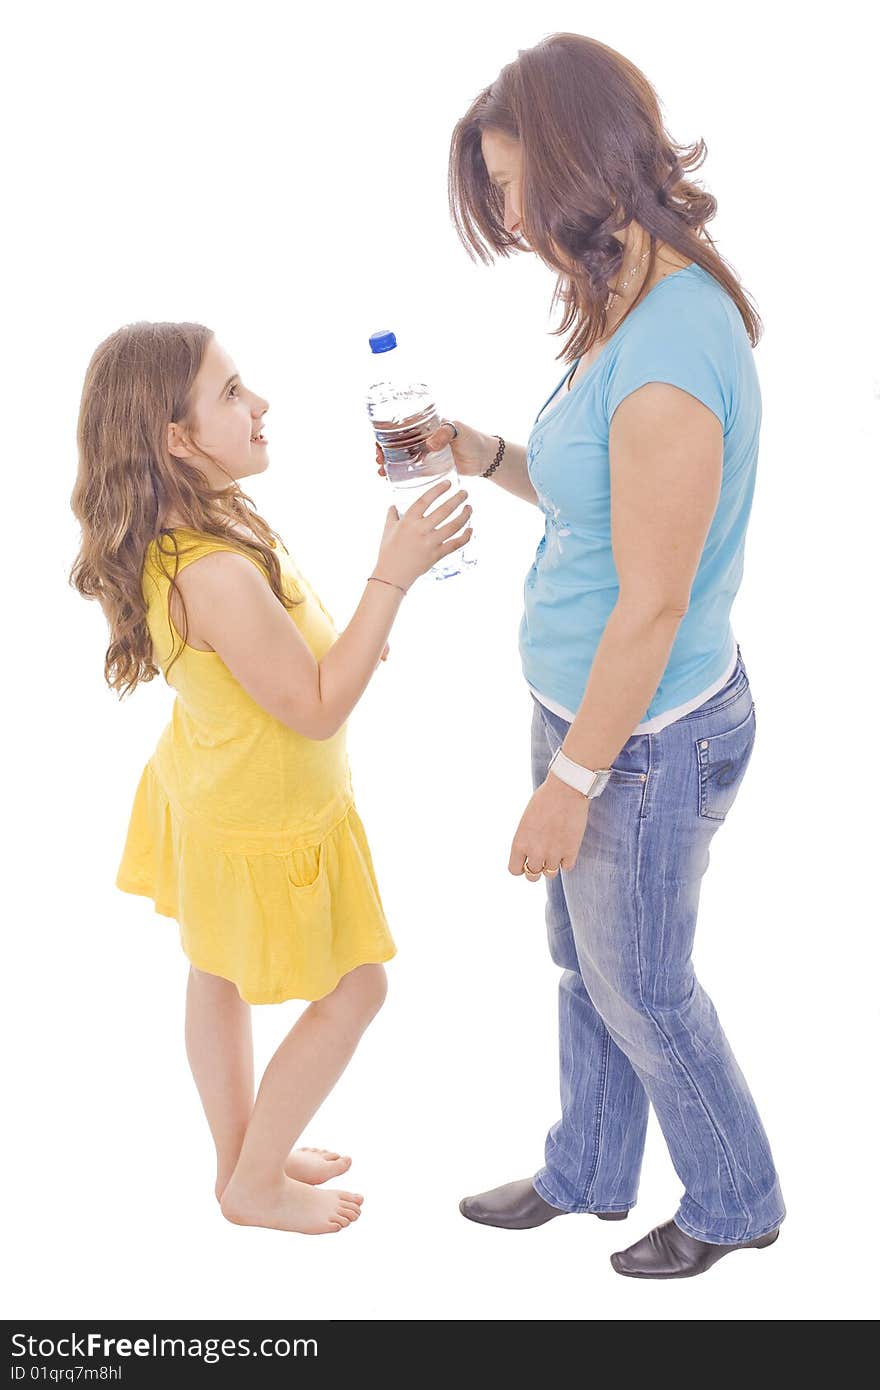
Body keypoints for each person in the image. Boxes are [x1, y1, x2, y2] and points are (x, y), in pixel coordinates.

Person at [377, 31, 786, 1279]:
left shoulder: (669, 348)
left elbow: (652, 605)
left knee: (645, 988)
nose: (504, 216)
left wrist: (572, 783)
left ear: (571, 163)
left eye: (507, 185)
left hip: (644, 739)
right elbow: (588, 501)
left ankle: (734, 1200)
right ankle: (589, 1169)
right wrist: (478, 448)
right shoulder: (623, 300)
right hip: (590, 713)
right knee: (583, 966)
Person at [70, 322, 473, 1235]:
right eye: (233, 393)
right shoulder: (208, 568)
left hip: (209, 789)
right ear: (178, 440)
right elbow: (317, 705)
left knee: (214, 972)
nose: (260, 405)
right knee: (359, 988)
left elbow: (294, 658)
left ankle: (241, 1156)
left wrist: (369, 610)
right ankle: (254, 1188)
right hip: (263, 821)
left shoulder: (201, 523)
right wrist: (395, 575)